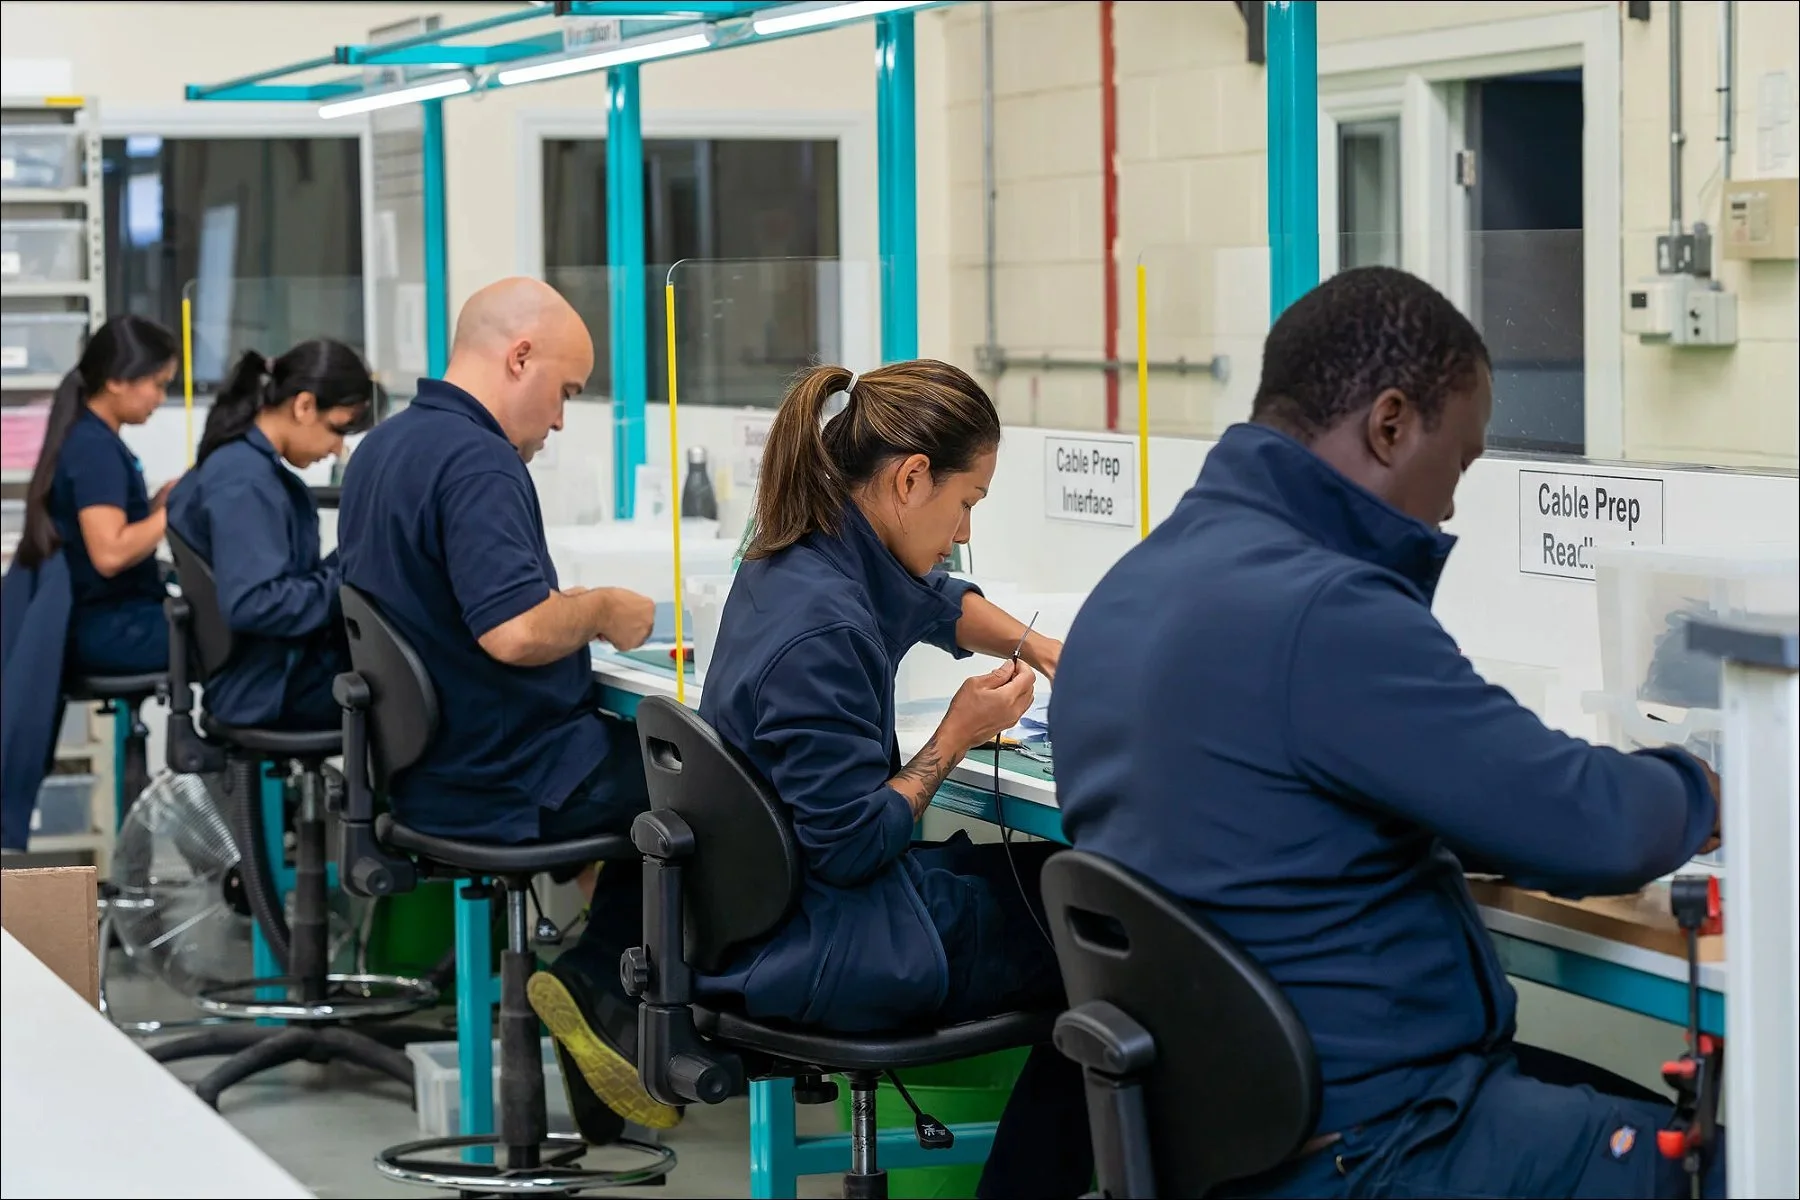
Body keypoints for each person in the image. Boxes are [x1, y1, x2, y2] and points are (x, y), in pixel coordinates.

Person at [1052, 266, 1724, 1200]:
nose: (1451, 504)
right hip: (1384, 1144)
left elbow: (1287, 806)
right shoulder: (1325, 611)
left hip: (1228, 1143)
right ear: (1391, 424)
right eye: (1460, 461)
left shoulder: (1134, 588)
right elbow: (1597, 829)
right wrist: (1710, 784)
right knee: (1741, 1158)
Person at [693, 360, 1094, 1199]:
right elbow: (851, 847)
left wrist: (1042, 648)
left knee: (1067, 888)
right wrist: (954, 736)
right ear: (912, 479)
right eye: (966, 504)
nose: (963, 533)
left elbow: (936, 600)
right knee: (1113, 949)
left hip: (788, 911)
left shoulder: (802, 557)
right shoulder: (825, 628)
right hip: (835, 931)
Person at [337, 277, 670, 1138]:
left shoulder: (383, 447)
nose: (560, 421)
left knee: (655, 768)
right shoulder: (476, 459)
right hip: (509, 779)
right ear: (518, 356)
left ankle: (602, 1020)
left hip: (426, 775)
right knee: (705, 783)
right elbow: (516, 632)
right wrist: (601, 609)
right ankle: (599, 985)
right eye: (563, 392)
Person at [167, 340, 375, 730]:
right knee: (418, 693)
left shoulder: (243, 466)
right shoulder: (244, 481)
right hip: (268, 687)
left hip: (267, 672)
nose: (337, 449)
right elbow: (255, 603)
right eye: (338, 429)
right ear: (304, 406)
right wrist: (347, 582)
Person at [18, 314, 180, 676]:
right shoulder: (94, 449)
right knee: (232, 639)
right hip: (110, 629)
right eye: (157, 384)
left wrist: (157, 505)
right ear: (117, 380)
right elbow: (110, 553)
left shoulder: (93, 439)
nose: (160, 398)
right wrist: (173, 513)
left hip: (109, 620)